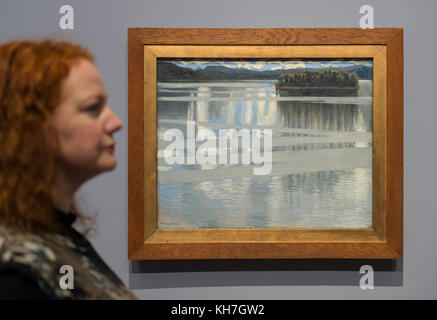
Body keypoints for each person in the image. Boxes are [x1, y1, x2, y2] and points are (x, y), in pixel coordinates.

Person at [0, 39, 137, 299]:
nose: (116, 122)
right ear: (31, 127)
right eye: (92, 108)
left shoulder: (56, 235)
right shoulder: (13, 272)